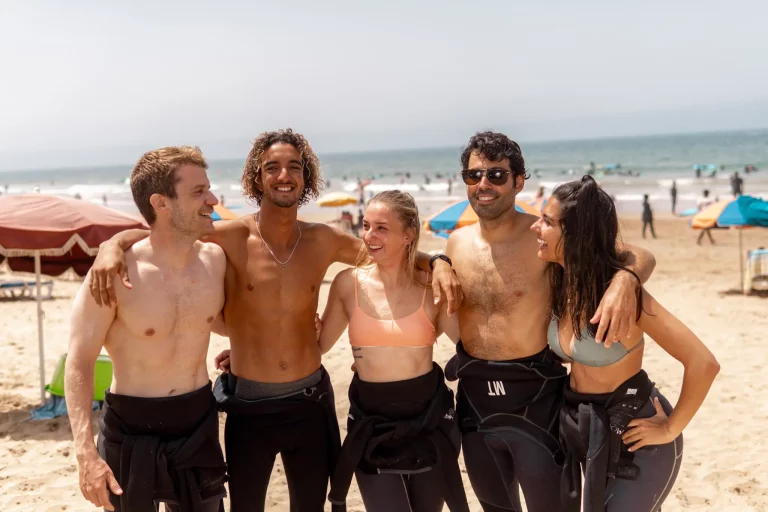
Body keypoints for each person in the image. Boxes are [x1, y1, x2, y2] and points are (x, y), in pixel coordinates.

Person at [87, 129, 461, 512]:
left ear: (306, 177)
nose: (284, 175)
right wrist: (113, 244)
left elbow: (390, 251)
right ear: (256, 177)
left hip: (310, 402)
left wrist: (438, 261)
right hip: (249, 405)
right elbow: (168, 230)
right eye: (272, 167)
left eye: (294, 167)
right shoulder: (229, 237)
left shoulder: (324, 240)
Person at [443, 131, 657, 512]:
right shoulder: (455, 244)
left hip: (535, 399)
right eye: (474, 175)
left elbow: (640, 255)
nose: (483, 184)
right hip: (475, 403)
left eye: (496, 174)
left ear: (518, 180)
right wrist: (435, 263)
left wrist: (626, 279)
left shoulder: (542, 237)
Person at [531, 175, 720, 511]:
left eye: (546, 221)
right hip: (587, 429)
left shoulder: (624, 299)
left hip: (637, 434)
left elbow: (703, 362)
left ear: (574, 234)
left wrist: (670, 428)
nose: (535, 227)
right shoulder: (559, 281)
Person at [65, 146, 228, 511]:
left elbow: (224, 322)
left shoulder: (215, 261)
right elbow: (80, 360)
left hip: (197, 419)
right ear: (161, 202)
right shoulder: (114, 274)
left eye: (209, 188)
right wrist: (85, 455)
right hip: (130, 427)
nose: (213, 199)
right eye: (198, 191)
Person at [317, 191, 469, 512]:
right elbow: (317, 345)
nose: (369, 236)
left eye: (382, 228)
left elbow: (469, 347)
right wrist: (249, 354)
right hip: (371, 425)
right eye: (366, 225)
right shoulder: (348, 284)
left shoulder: (433, 287)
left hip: (429, 421)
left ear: (408, 234)